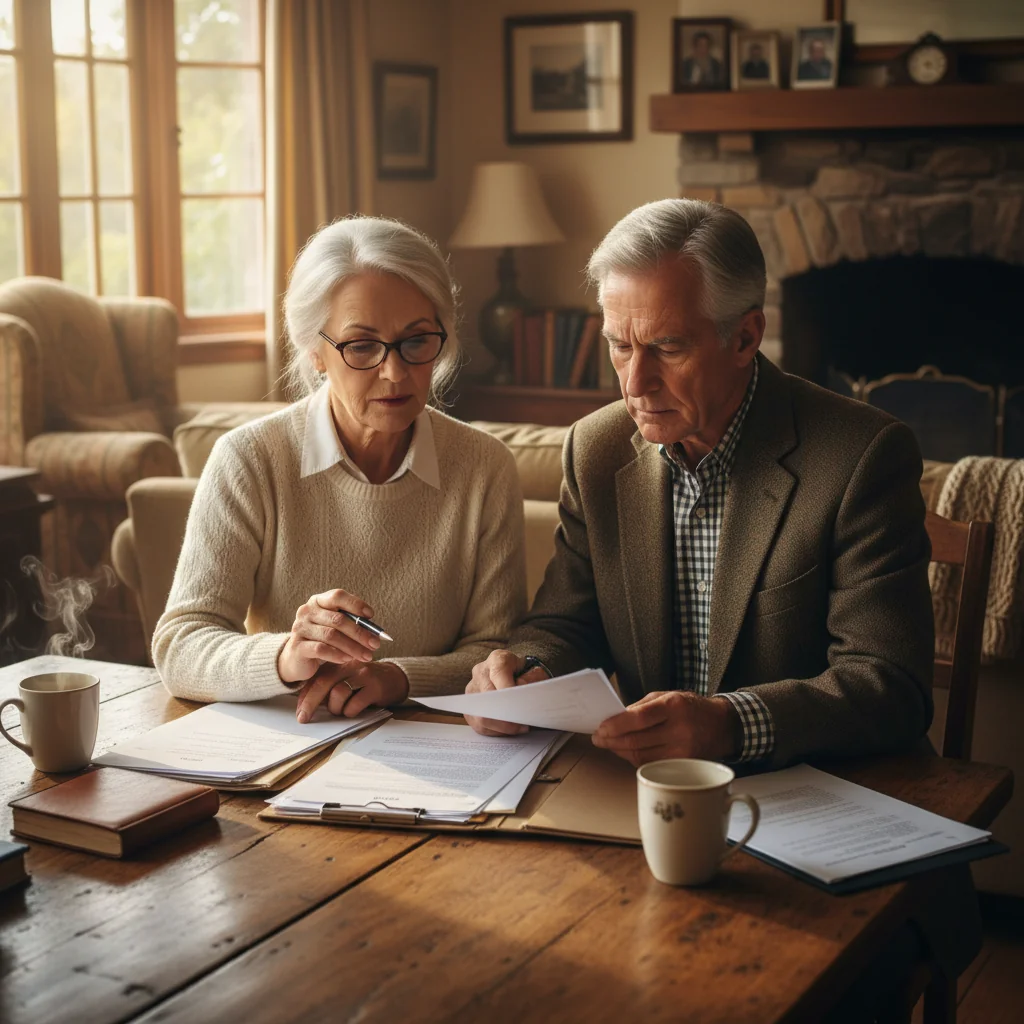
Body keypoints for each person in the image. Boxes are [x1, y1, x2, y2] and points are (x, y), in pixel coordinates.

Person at [464, 199, 979, 1009]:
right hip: (642, 829)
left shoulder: (863, 454)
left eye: (666, 346)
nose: (635, 383)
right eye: (617, 346)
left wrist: (730, 723)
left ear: (747, 336)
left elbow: (891, 685)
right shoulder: (596, 450)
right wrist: (523, 673)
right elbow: (563, 623)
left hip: (827, 840)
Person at [153, 217, 527, 722]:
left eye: (417, 342)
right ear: (316, 353)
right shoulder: (249, 460)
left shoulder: (485, 468)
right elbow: (181, 644)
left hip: (435, 746)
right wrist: (286, 656)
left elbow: (496, 649)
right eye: (362, 346)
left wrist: (395, 678)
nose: (395, 373)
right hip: (290, 742)